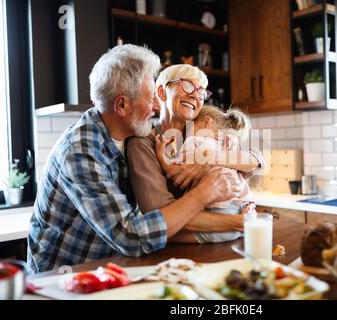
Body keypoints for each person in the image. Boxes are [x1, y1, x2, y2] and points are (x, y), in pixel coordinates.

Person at [27, 45, 240, 273]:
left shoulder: (132, 134)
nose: (158, 106)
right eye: (151, 98)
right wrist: (205, 192)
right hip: (59, 280)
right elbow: (129, 236)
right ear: (121, 105)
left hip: (107, 269)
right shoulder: (80, 151)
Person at [127, 64, 265, 241]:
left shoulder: (202, 133)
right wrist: (237, 222)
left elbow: (257, 161)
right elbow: (160, 216)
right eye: (187, 85)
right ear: (161, 92)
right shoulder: (143, 144)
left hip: (227, 238)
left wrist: (212, 158)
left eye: (201, 92)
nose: (195, 95)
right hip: (179, 250)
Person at [155, 105, 257, 243]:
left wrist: (162, 158)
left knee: (167, 239)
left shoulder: (194, 141)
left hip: (219, 213)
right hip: (244, 209)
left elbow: (176, 172)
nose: (186, 133)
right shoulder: (228, 145)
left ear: (207, 121)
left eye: (190, 127)